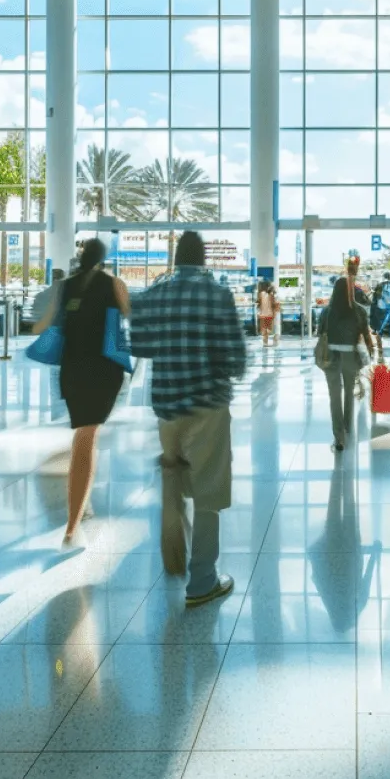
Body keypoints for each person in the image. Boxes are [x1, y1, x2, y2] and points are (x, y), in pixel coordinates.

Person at [128, 232, 246, 606]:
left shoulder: (154, 294)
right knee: (208, 489)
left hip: (167, 405)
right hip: (208, 404)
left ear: (176, 258)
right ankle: (202, 581)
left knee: (173, 476)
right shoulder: (218, 295)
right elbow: (236, 360)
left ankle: (172, 548)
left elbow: (140, 348)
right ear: (204, 258)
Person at [36, 239, 130, 547]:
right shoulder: (114, 284)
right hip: (103, 372)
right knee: (87, 439)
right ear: (104, 259)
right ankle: (72, 526)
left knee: (85, 435)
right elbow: (128, 315)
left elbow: (42, 325)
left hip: (72, 370)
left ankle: (81, 506)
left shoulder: (64, 286)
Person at [319, 276, 370, 451]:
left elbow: (320, 333)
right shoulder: (359, 311)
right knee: (349, 392)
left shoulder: (327, 311)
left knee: (334, 396)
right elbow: (365, 334)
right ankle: (349, 428)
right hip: (351, 356)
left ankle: (338, 437)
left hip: (331, 357)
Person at [255, 280, 278, 347]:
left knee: (264, 330)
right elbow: (274, 304)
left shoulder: (260, 294)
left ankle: (265, 342)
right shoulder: (271, 294)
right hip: (270, 315)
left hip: (262, 315)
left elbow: (258, 303)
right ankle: (273, 340)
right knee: (269, 329)